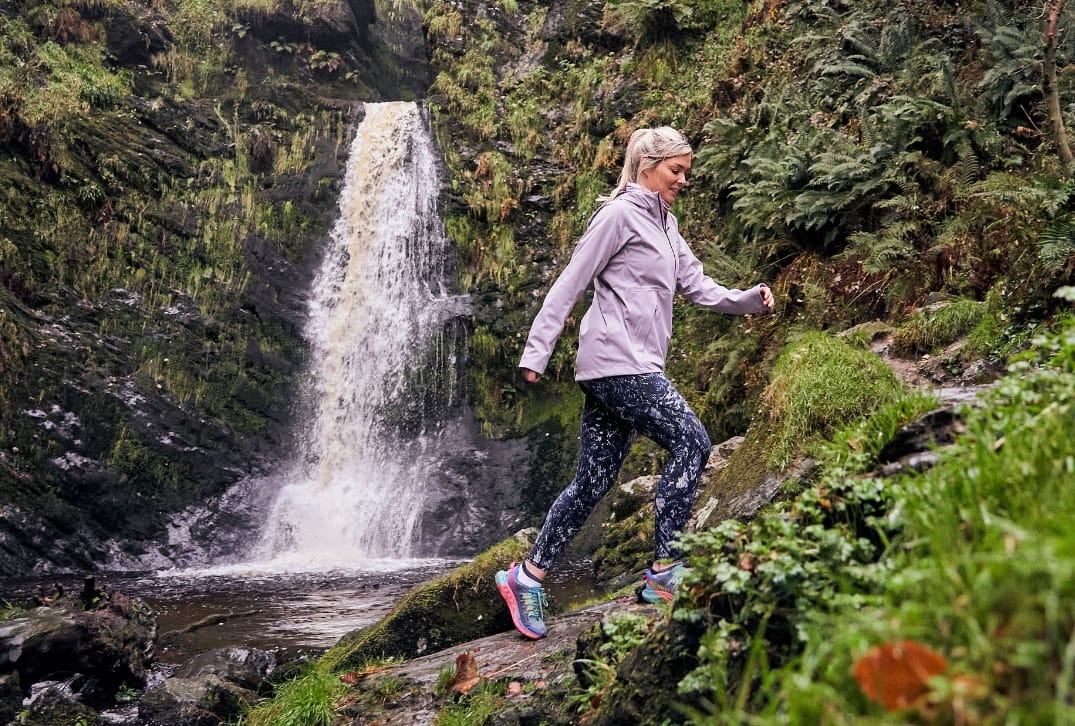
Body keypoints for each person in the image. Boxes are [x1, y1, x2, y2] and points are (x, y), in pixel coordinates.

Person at [495, 126, 775, 640]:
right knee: (692, 441)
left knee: (594, 481)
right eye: (676, 170)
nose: (683, 180)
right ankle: (666, 569)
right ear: (647, 165)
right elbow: (571, 282)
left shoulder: (666, 225)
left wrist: (747, 300)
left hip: (630, 367)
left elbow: (696, 284)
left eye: (687, 172)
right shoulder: (618, 215)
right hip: (618, 363)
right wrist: (537, 351)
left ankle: (526, 576)